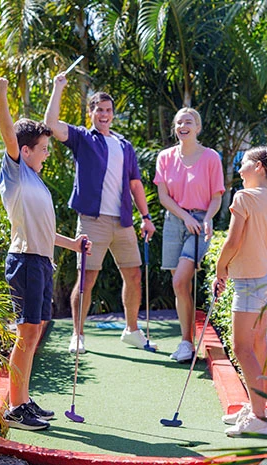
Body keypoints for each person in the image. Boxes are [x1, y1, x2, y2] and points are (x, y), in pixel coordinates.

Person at [0, 77, 91, 431]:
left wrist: (75, 244)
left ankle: (23, 399)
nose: (48, 154)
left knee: (34, 333)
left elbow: (46, 234)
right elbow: (8, 133)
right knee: (27, 334)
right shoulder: (16, 171)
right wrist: (1, 95)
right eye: (44, 148)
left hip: (40, 261)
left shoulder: (36, 182)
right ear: (27, 149)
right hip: (24, 262)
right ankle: (15, 409)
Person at [44, 72, 157, 354]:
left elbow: (135, 183)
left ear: (113, 114)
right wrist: (58, 88)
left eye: (108, 110)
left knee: (134, 276)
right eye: (99, 110)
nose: (104, 114)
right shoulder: (82, 138)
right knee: (87, 279)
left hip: (123, 221)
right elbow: (51, 125)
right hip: (92, 221)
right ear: (91, 112)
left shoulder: (124, 145)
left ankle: (131, 330)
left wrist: (146, 217)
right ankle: (78, 335)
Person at [212, 146, 267, 436]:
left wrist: (220, 268)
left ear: (258, 168)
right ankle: (259, 408)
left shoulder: (244, 197)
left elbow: (232, 242)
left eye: (243, 164)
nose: (239, 169)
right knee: (257, 347)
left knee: (243, 348)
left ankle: (258, 418)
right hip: (264, 278)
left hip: (249, 282)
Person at [153, 107, 224, 362]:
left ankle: (186, 341)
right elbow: (163, 197)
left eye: (189, 121)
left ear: (198, 127)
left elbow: (217, 198)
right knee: (179, 286)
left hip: (200, 223)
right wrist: (184, 216)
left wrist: (206, 220)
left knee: (181, 281)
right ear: (175, 128)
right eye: (180, 122)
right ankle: (187, 342)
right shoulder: (165, 157)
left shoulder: (211, 157)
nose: (184, 125)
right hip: (175, 222)